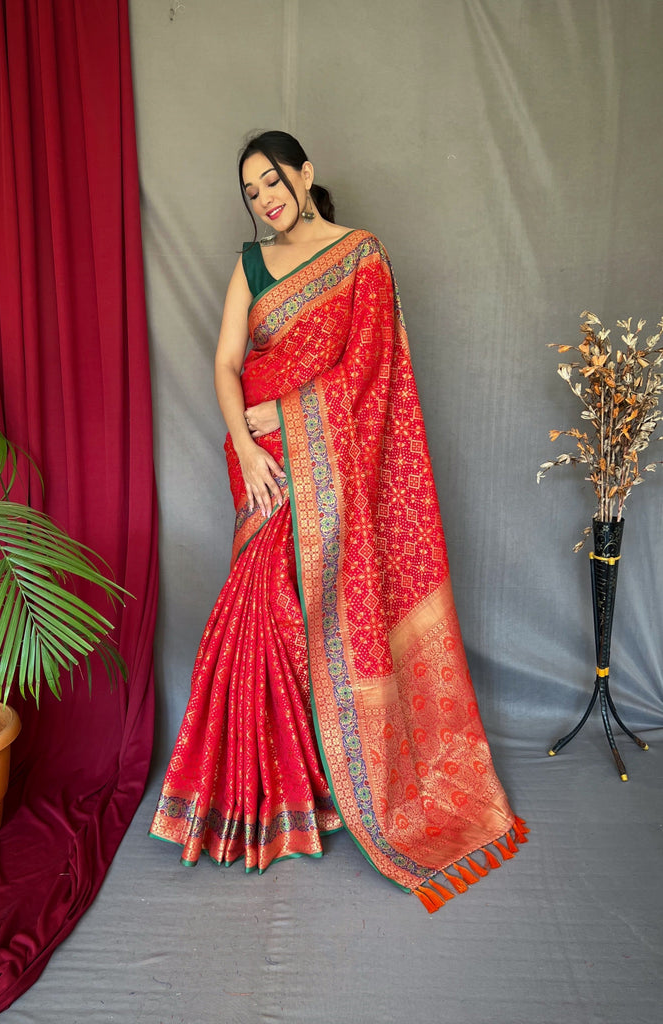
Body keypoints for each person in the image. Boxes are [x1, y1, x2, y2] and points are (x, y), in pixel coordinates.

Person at [150, 131, 527, 911]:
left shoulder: (361, 257)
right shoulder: (249, 267)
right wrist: (250, 451)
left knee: (300, 616)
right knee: (262, 613)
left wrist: (287, 421)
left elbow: (372, 371)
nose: (264, 198)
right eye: (251, 192)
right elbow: (225, 363)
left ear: (306, 173)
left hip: (323, 456)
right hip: (261, 463)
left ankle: (320, 787)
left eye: (272, 180)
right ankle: (264, 800)